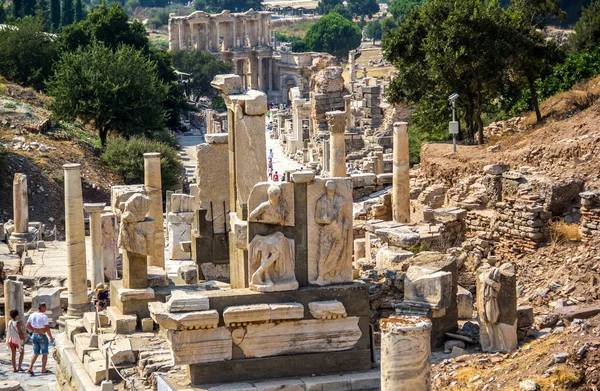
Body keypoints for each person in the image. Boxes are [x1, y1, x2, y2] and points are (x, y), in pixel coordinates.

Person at [26, 303, 54, 376]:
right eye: (45, 307)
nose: (46, 309)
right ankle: (43, 369)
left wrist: (34, 330)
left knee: (36, 353)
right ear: (42, 307)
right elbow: (47, 328)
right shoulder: (43, 316)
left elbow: (27, 325)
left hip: (34, 335)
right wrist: (50, 337)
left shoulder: (32, 315)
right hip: (42, 336)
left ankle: (30, 367)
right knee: (44, 353)